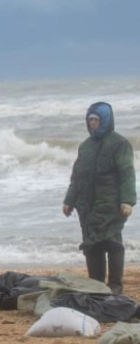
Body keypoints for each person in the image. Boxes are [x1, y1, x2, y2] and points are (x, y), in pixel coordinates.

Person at [62, 102, 135, 294]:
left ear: (105, 121)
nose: (92, 124)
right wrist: (69, 200)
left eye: (96, 120)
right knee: (92, 246)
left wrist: (127, 201)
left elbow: (127, 174)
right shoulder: (85, 147)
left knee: (113, 244)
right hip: (87, 207)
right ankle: (96, 287)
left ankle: (115, 288)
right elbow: (76, 177)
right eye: (90, 120)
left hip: (111, 205)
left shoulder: (119, 144)